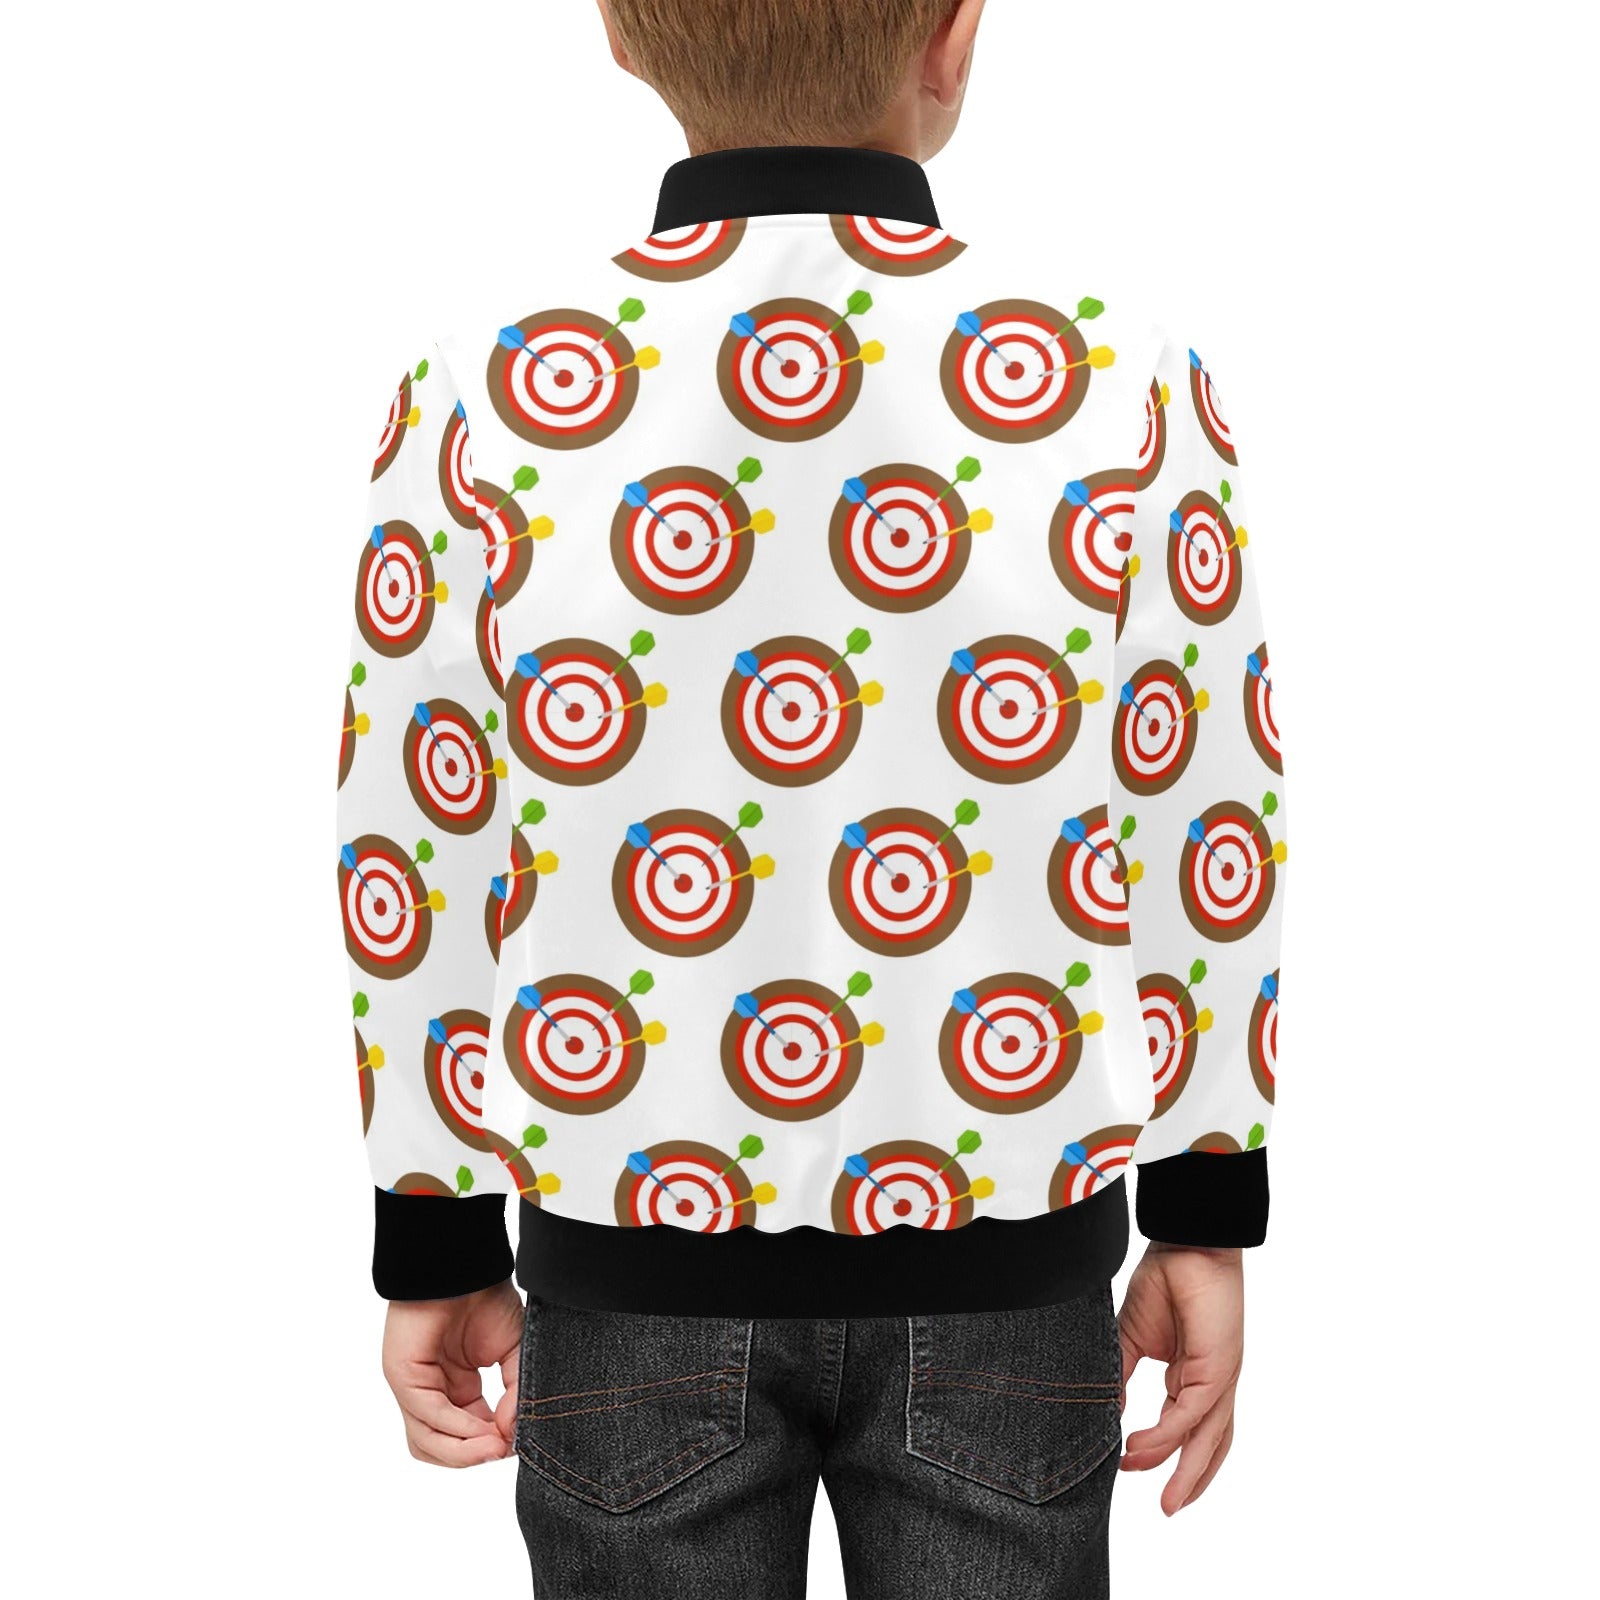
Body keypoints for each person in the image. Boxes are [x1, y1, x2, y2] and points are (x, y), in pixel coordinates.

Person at [334, 2, 1287, 1592]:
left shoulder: (484, 392)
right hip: (1009, 1271)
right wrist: (1202, 1203)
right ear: (954, 35)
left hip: (629, 1270)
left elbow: (412, 834)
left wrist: (434, 1227)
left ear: (623, 34)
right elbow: (1208, 814)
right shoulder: (1122, 379)